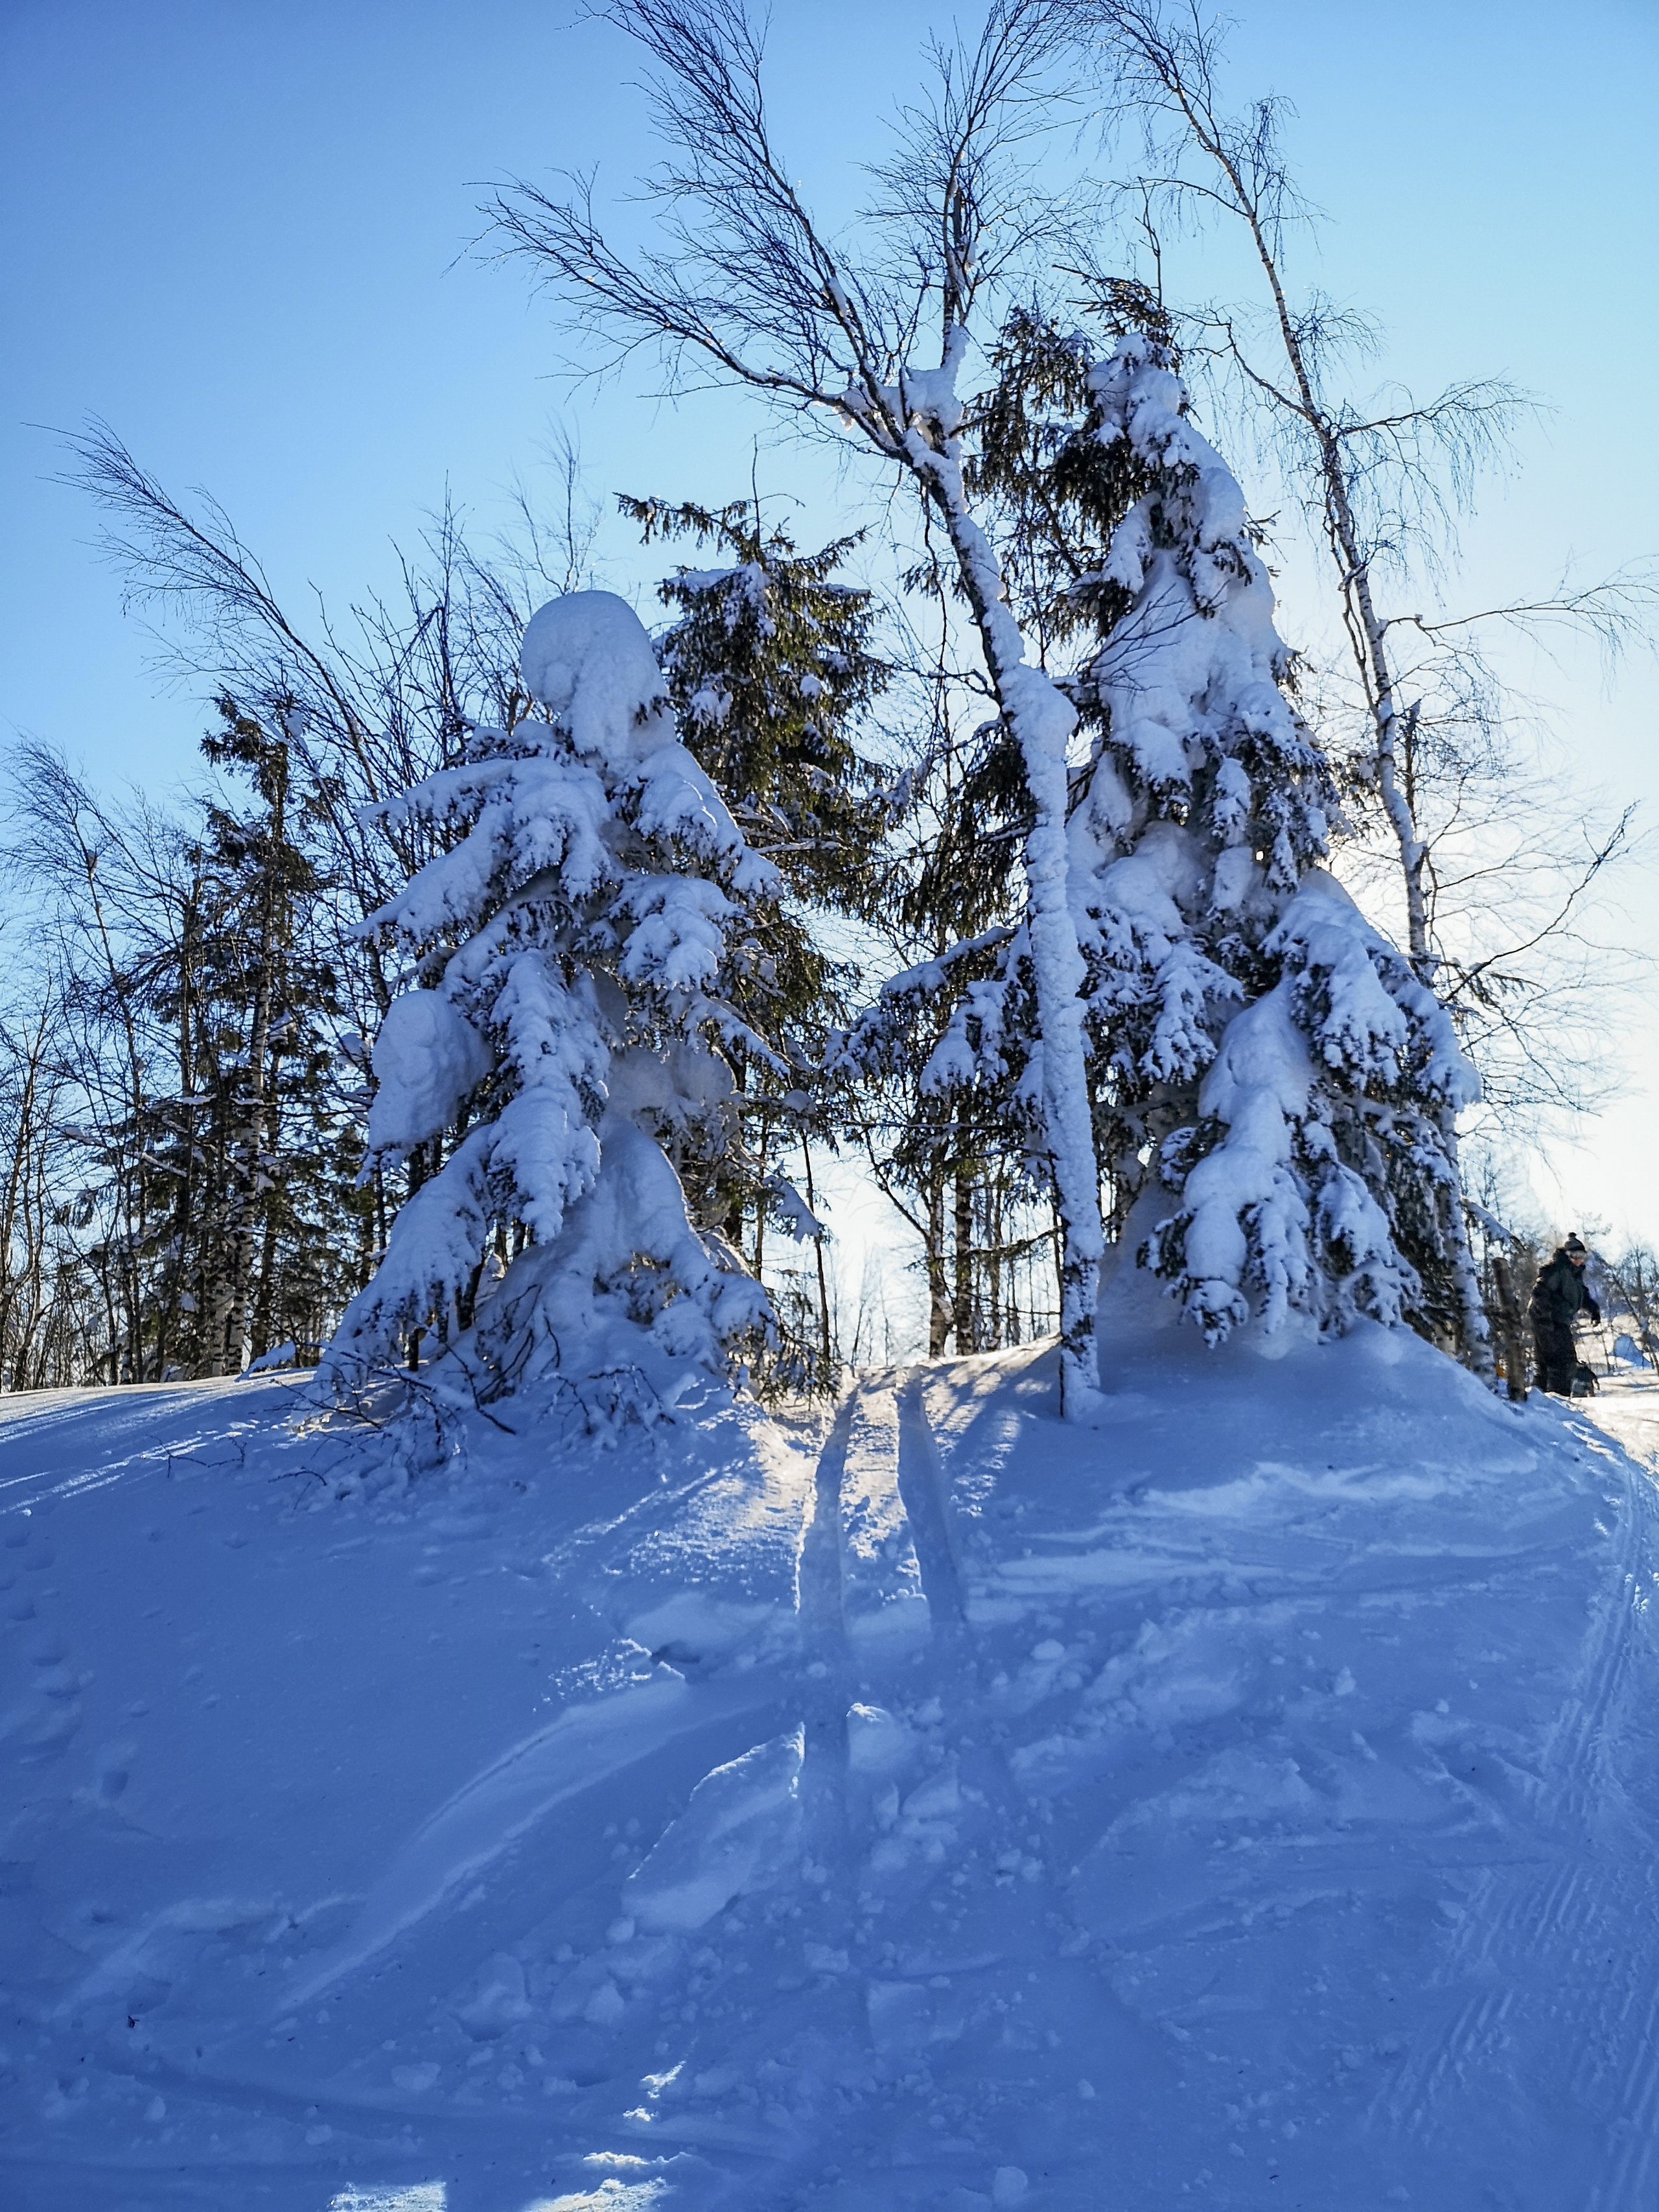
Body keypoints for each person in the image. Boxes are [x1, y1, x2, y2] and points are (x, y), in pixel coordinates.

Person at [1529, 1235, 1601, 1397]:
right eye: (1575, 1256)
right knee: (1563, 1362)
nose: (1578, 1260)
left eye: (1582, 1257)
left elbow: (1582, 1295)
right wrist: (1545, 1321)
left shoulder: (1574, 1274)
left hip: (1558, 1322)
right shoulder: (1557, 1269)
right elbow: (1540, 1292)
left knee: (1547, 1363)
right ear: (1567, 1255)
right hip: (1548, 1321)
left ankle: (1539, 1398)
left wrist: (1594, 1310)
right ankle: (1558, 1399)